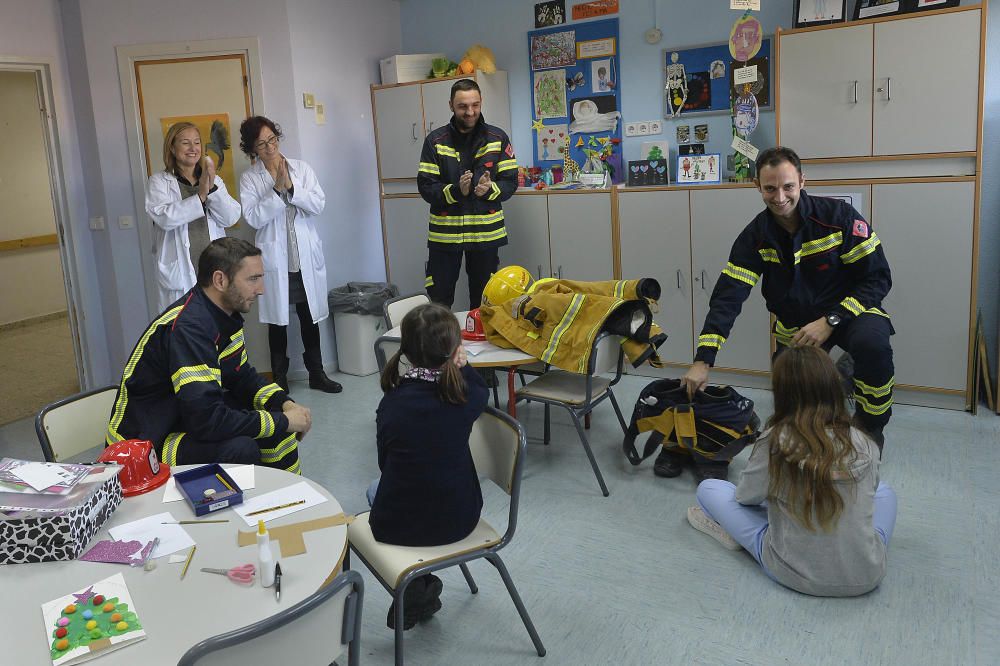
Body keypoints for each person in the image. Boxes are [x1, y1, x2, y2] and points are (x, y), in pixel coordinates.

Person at [655, 146, 894, 481]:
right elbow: (727, 299)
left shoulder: (839, 217)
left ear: (801, 181)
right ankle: (833, 391)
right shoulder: (755, 237)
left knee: (873, 348)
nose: (779, 197)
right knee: (791, 404)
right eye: (770, 188)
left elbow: (878, 278)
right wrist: (702, 360)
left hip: (851, 312)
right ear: (758, 186)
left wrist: (831, 321)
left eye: (787, 187)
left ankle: (871, 426)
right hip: (796, 325)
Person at [687, 346, 897, 597]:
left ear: (783, 393)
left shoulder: (775, 440)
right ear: (832, 387)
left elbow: (745, 498)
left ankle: (739, 535)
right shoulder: (863, 441)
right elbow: (868, 494)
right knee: (885, 493)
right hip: (867, 575)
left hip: (794, 574)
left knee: (709, 489)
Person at [106, 238, 312, 473]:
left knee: (278, 432)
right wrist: (283, 421)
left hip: (183, 417)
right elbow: (208, 421)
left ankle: (285, 504)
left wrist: (284, 405)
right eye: (253, 279)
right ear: (220, 280)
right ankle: (245, 507)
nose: (261, 289)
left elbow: (242, 377)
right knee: (242, 448)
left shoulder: (223, 315)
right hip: (144, 443)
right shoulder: (189, 328)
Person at [365, 303, 489, 629]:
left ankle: (419, 586)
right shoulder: (462, 397)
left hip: (397, 524)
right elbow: (482, 390)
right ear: (453, 350)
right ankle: (420, 588)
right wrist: (464, 367)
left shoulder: (391, 403)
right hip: (460, 519)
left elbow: (385, 466)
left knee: (373, 490)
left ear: (405, 349)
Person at [238, 116, 341, 394]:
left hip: (303, 257)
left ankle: (317, 374)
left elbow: (318, 203)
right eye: (261, 144)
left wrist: (292, 188)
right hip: (275, 262)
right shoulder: (250, 178)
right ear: (253, 150)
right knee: (277, 321)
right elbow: (253, 217)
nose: (270, 147)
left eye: (272, 139)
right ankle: (279, 381)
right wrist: (276, 191)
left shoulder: (301, 169)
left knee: (310, 317)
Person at [417, 79, 518, 309]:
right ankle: (441, 345)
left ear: (481, 103)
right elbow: (426, 186)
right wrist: (456, 191)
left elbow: (510, 182)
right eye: (463, 106)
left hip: (486, 234)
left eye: (475, 105)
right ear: (451, 105)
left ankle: (482, 343)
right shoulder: (435, 141)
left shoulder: (498, 138)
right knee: (439, 301)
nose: (470, 112)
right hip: (445, 237)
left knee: (485, 302)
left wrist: (490, 189)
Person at [145, 121, 241, 311]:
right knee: (184, 331)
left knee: (218, 330)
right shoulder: (159, 182)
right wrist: (201, 196)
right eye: (185, 142)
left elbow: (230, 217)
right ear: (172, 147)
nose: (193, 148)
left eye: (197, 142)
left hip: (214, 268)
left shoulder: (215, 180)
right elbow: (165, 219)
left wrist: (211, 188)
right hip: (180, 273)